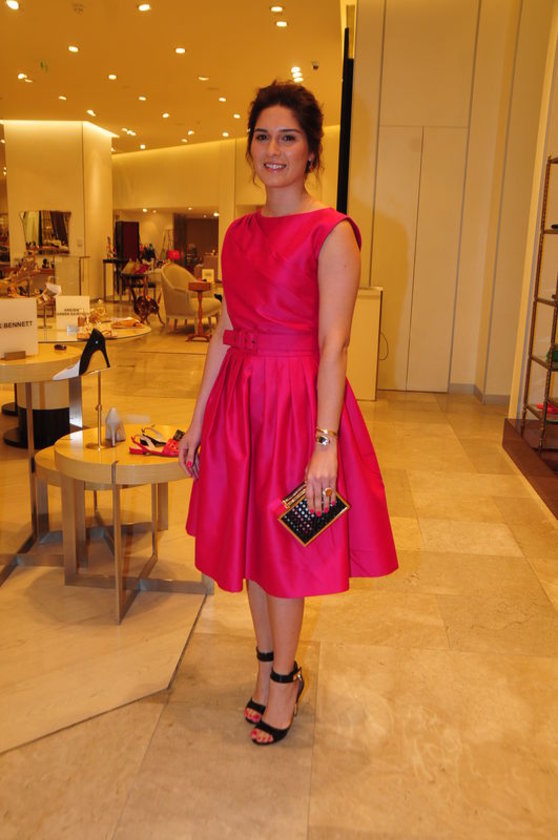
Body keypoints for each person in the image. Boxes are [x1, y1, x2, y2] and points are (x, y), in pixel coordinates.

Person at [179, 80, 398, 746]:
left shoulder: (332, 232)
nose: (272, 150)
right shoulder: (239, 232)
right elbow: (226, 327)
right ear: (249, 147)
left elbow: (335, 344)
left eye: (288, 137)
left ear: (310, 151)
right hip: (241, 401)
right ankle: (266, 665)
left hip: (296, 405)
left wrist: (325, 443)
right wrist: (199, 418)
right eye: (262, 136)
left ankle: (284, 680)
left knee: (283, 547)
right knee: (250, 545)